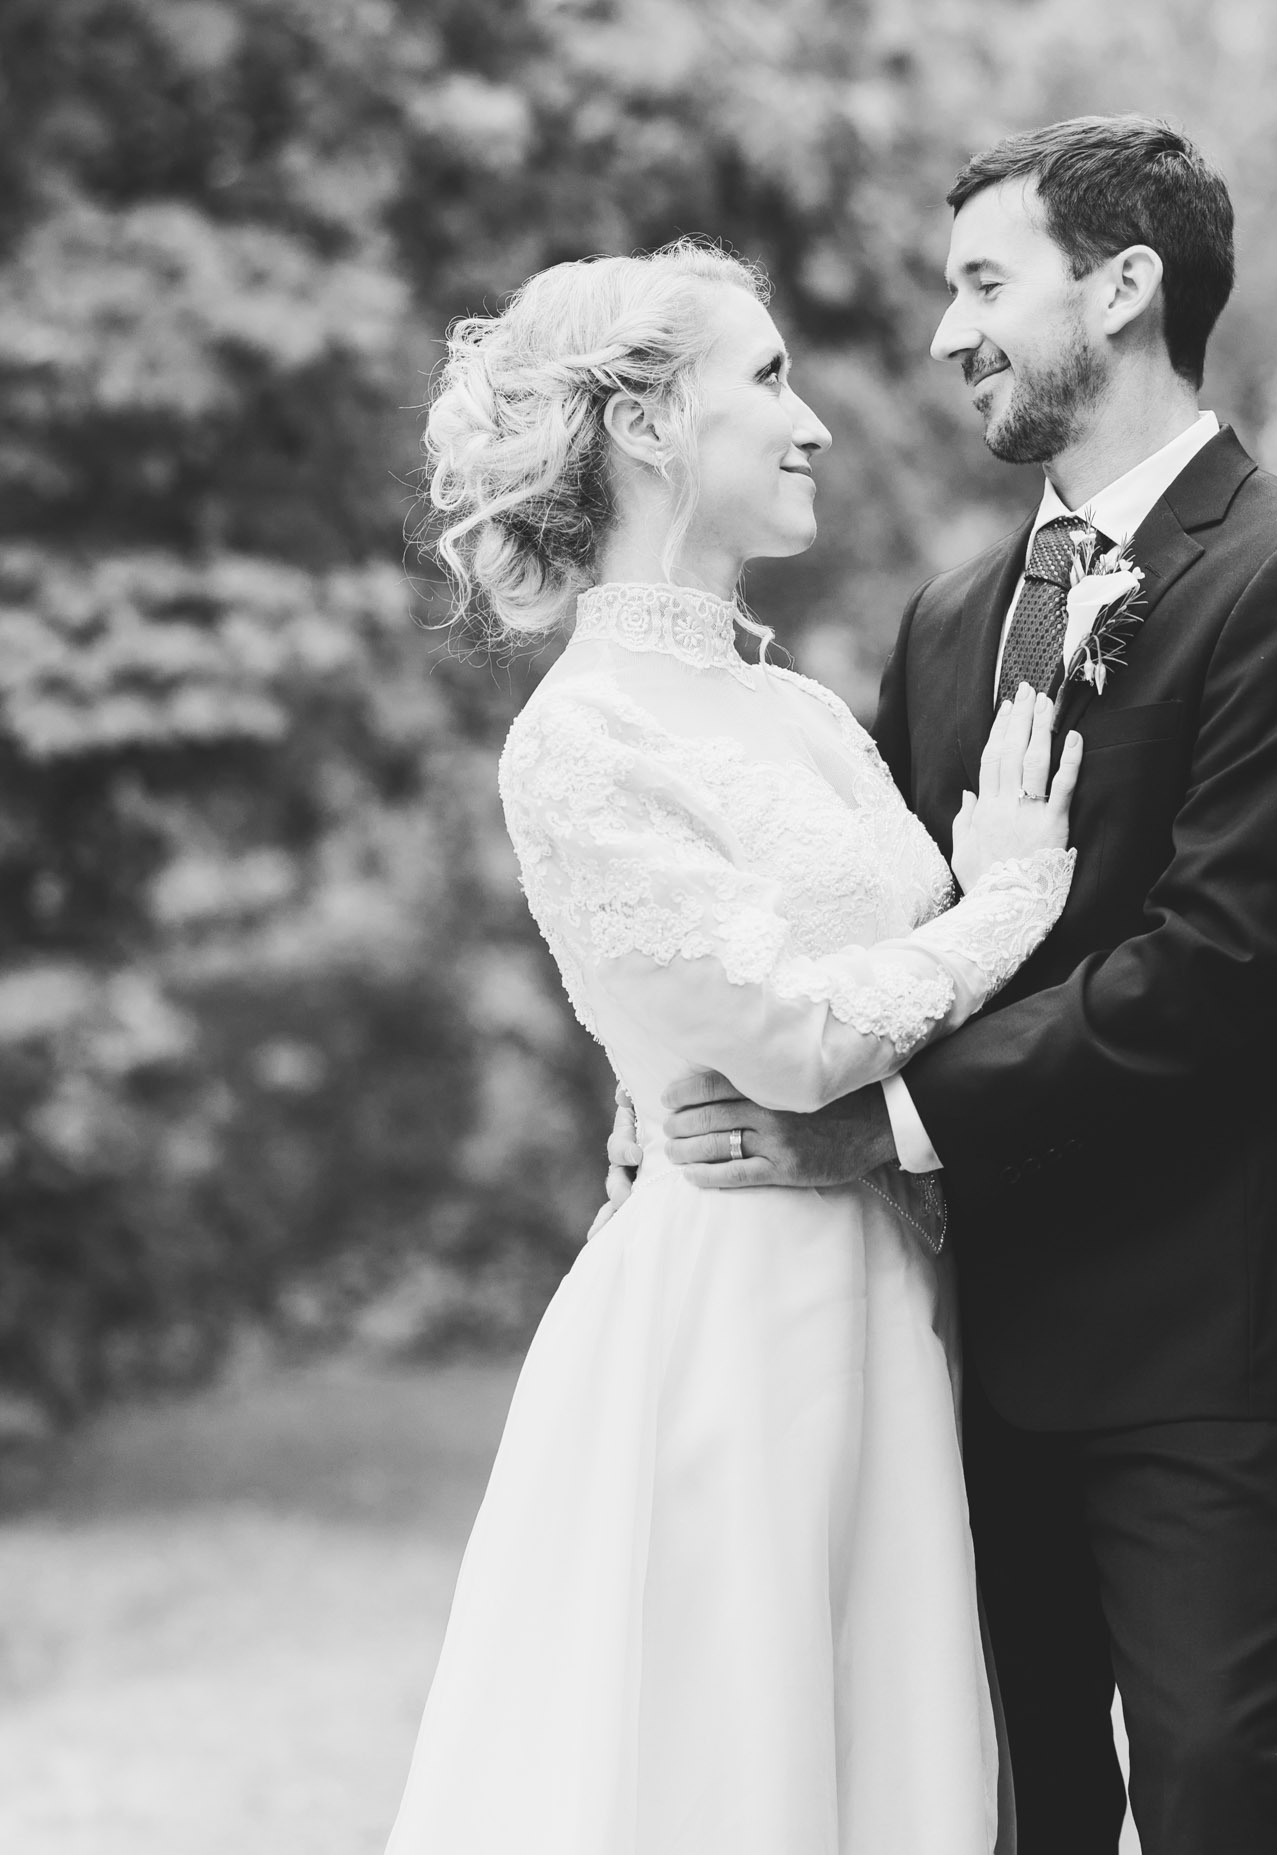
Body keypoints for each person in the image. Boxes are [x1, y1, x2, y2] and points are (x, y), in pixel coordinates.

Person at [632, 118, 1277, 1852]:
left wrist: (879, 1126)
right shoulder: (949, 618)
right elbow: (873, 934)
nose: (947, 335)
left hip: (1198, 1331)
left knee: (1211, 1785)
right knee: (996, 1805)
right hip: (951, 1332)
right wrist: (692, 1054)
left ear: (1125, 287)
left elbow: (1227, 969)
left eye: (986, 285)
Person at [385, 239, 1083, 1854]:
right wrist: (1009, 899)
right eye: (768, 379)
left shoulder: (804, 713)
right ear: (645, 423)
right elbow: (794, 1037)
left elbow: (878, 996)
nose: (813, 421)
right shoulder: (582, 738)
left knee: (889, 1758)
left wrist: (980, 913)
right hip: (737, 1316)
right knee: (736, 1764)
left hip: (901, 1290)